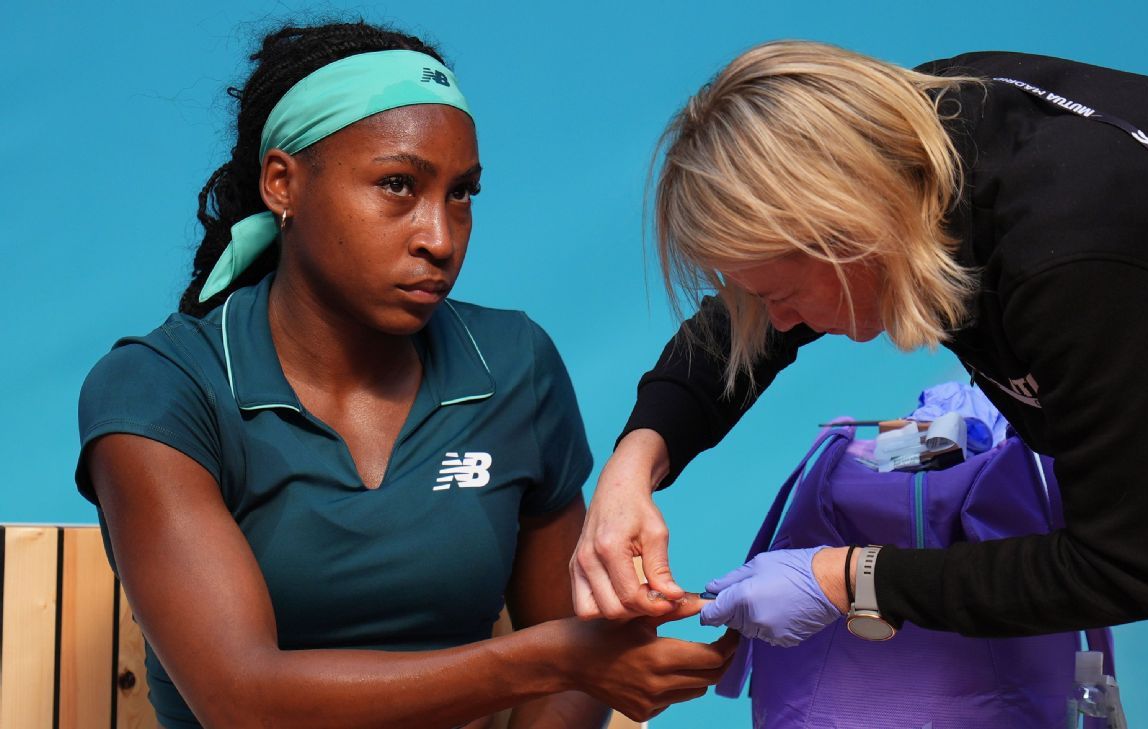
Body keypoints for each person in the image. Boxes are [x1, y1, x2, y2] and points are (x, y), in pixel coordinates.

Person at [570, 41, 1148, 727]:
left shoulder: (1075, 242)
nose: (776, 320)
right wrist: (633, 465)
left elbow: (1122, 567)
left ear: (846, 227)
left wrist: (844, 577)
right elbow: (740, 329)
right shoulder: (892, 149)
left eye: (779, 292)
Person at [76, 21, 735, 729]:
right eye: (397, 185)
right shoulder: (158, 388)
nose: (440, 238)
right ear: (282, 183)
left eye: (461, 194)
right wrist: (555, 656)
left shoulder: (515, 364)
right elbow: (246, 701)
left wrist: (574, 661)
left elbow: (575, 672)